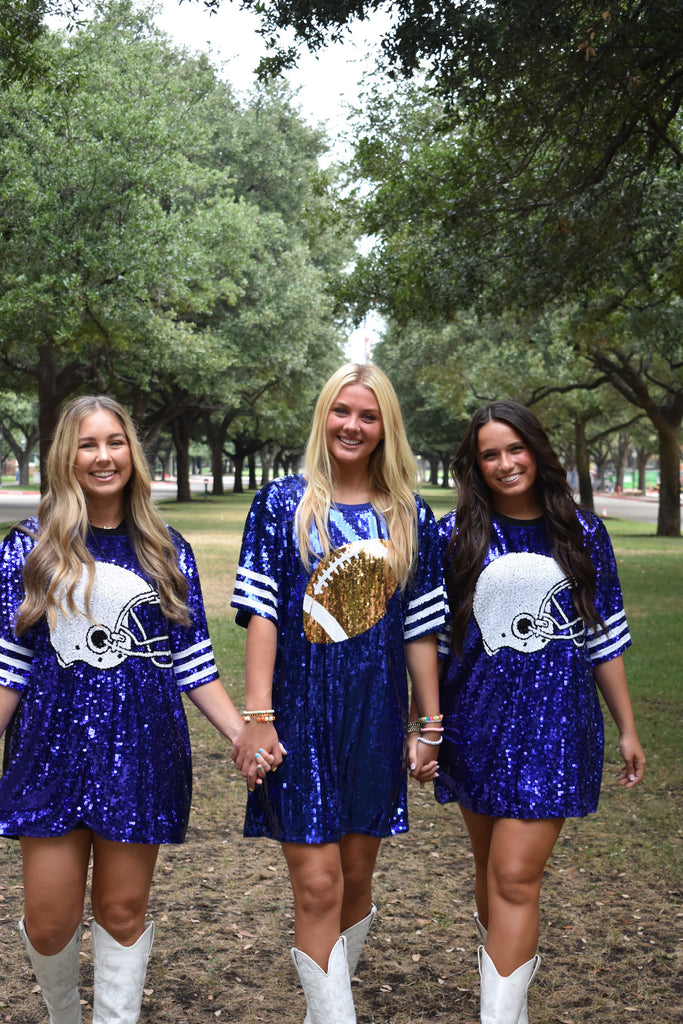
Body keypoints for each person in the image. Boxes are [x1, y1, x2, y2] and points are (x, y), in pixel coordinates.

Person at [0, 395, 258, 1024]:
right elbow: (9, 668)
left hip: (140, 754)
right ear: (67, 457)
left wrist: (243, 734)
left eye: (114, 442)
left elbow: (193, 662)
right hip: (49, 755)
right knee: (50, 919)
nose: (103, 456)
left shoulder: (167, 550)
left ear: (132, 454)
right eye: (87, 444)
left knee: (121, 912)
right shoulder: (27, 550)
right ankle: (64, 1016)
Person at [230, 362, 446, 1024]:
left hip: (375, 718)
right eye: (341, 411)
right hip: (297, 716)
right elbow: (263, 615)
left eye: (367, 415)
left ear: (386, 428)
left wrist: (428, 724)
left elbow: (419, 632)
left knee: (353, 880)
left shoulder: (411, 516)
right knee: (317, 883)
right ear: (323, 416)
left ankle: (327, 1004)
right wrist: (259, 717)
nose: (352, 425)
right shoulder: (280, 504)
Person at [435, 400, 645, 1024]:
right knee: (490, 872)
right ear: (475, 465)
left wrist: (627, 725)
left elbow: (601, 638)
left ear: (537, 450)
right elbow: (437, 646)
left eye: (515, 449)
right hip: (475, 727)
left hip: (556, 727)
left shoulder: (584, 535)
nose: (505, 463)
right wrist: (426, 726)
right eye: (490, 454)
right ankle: (506, 1003)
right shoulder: (453, 537)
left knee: (515, 877)